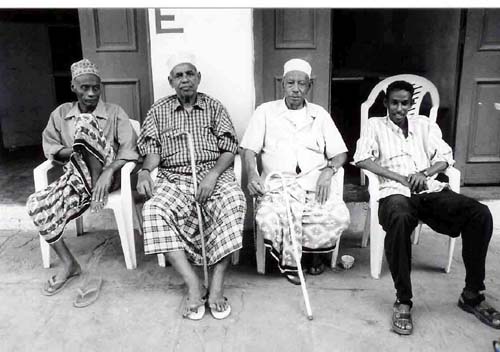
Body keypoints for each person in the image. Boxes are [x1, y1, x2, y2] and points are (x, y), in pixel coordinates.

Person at [353, 80, 500, 335]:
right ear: (386, 103)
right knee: (399, 218)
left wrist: (425, 172)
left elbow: (445, 157)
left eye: (405, 103)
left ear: (411, 105)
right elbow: (362, 158)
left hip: (427, 190)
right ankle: (403, 300)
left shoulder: (424, 125)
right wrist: (399, 177)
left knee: (480, 213)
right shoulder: (375, 125)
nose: (400, 108)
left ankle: (472, 294)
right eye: (395, 103)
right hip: (394, 192)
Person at [137, 52, 245, 320]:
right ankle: (193, 283)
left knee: (234, 202)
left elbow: (229, 148)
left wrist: (212, 176)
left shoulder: (214, 107)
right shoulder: (159, 110)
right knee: (153, 210)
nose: (185, 79)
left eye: (189, 74)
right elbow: (152, 150)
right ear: (171, 81)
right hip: (174, 177)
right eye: (178, 75)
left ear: (198, 78)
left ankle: (217, 285)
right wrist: (145, 171)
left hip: (214, 175)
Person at [27, 58, 139, 301]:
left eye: (95, 88)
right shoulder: (60, 114)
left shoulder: (115, 112)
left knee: (86, 123)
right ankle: (69, 264)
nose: (91, 93)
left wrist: (108, 172)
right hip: (76, 178)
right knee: (35, 204)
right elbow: (51, 147)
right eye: (84, 88)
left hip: (109, 177)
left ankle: (96, 182)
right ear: (73, 88)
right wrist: (78, 150)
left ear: (101, 88)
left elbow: (129, 150)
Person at [240, 58, 350, 285]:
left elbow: (340, 153)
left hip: (314, 180)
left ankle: (314, 254)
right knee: (269, 217)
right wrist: (251, 173)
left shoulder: (319, 114)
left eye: (302, 84)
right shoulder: (265, 112)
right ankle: (293, 259)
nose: (296, 89)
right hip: (279, 183)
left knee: (337, 215)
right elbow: (248, 149)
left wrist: (329, 171)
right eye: (291, 83)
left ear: (309, 87)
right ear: (283, 84)